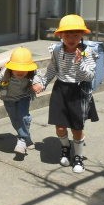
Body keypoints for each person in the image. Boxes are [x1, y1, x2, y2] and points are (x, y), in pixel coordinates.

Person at [32, 14, 99, 173]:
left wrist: (80, 63)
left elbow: (90, 76)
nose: (71, 39)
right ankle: (66, 147)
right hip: (60, 89)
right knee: (60, 127)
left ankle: (78, 157)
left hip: (78, 91)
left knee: (76, 128)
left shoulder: (87, 52)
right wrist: (42, 83)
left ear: (81, 35)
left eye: (75, 35)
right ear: (60, 35)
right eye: (67, 35)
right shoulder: (57, 50)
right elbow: (52, 69)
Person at [0, 47, 38, 155]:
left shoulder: (32, 71)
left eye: (24, 69)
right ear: (11, 67)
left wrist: (37, 83)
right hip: (8, 99)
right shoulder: (3, 74)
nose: (20, 72)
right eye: (17, 68)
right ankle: (27, 138)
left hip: (24, 97)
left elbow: (38, 76)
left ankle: (22, 140)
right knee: (16, 121)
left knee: (24, 117)